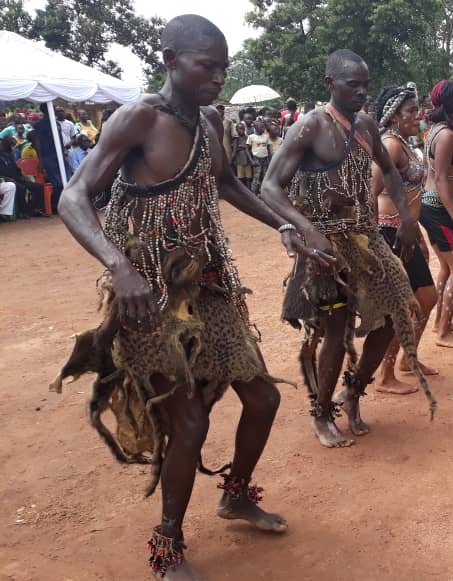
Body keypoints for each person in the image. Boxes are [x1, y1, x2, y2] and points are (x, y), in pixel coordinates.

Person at [51, 15, 320, 578]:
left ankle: (236, 495)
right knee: (190, 423)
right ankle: (167, 545)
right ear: (171, 61)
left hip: (211, 285)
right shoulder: (138, 118)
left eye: (224, 68)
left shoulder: (211, 120)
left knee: (263, 400)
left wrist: (283, 223)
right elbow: (72, 198)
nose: (219, 78)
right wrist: (119, 266)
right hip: (147, 297)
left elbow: (227, 183)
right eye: (207, 67)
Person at [261, 49, 434, 448]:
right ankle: (322, 414)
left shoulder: (367, 125)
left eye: (365, 85)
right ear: (330, 84)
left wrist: (408, 221)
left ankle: (353, 392)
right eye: (352, 84)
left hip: (366, 237)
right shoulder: (310, 125)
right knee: (337, 333)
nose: (361, 92)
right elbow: (270, 186)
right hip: (325, 246)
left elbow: (389, 171)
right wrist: (307, 230)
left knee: (394, 314)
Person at [370, 84, 440, 393]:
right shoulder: (390, 144)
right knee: (405, 304)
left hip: (406, 232)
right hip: (390, 234)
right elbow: (370, 193)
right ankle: (385, 375)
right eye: (412, 111)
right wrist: (376, 241)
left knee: (425, 298)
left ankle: (407, 359)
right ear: (394, 115)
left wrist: (417, 233)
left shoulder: (403, 144)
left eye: (418, 110)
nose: (419, 115)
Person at [411, 80, 453, 348]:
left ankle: (442, 321)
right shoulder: (446, 135)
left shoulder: (437, 131)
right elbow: (439, 180)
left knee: (449, 267)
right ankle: (443, 332)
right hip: (438, 209)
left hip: (435, 206)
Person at [246, 119, 271, 192]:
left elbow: (268, 148)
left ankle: (263, 192)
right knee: (256, 177)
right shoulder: (251, 137)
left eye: (263, 127)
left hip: (265, 158)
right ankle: (254, 192)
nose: (263, 129)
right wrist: (251, 160)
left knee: (265, 176)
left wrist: (269, 158)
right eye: (262, 127)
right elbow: (247, 149)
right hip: (256, 159)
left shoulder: (266, 136)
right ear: (256, 128)